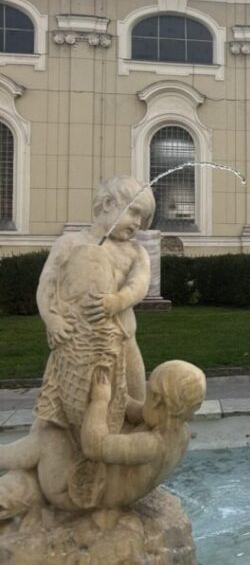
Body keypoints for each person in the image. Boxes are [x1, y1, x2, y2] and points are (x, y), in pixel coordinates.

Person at [0, 360, 206, 516]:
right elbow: (137, 412)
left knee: (50, 439)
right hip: (96, 483)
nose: (146, 398)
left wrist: (99, 401)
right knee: (59, 430)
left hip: (75, 495)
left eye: (149, 392)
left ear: (158, 400)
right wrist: (119, 392)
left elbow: (95, 446)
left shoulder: (152, 445)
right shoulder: (178, 431)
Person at [34, 176, 155, 436]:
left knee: (137, 400)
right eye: (134, 212)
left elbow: (140, 284)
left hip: (123, 340)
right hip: (73, 342)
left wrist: (118, 301)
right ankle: (52, 442)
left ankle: (132, 449)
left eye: (143, 219)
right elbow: (47, 286)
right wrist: (52, 320)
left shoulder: (136, 252)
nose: (137, 223)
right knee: (58, 403)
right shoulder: (69, 243)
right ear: (108, 203)